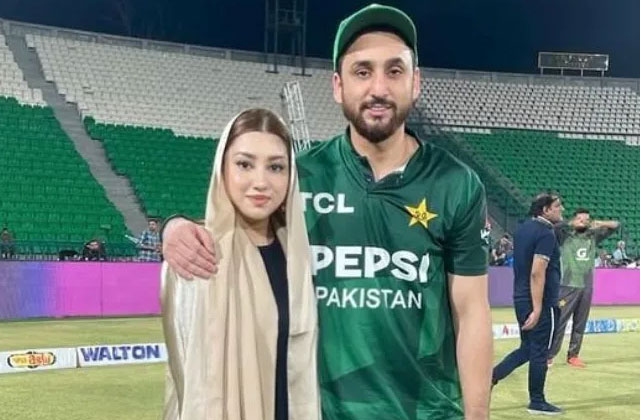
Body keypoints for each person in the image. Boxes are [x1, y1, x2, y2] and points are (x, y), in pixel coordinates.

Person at [162, 4, 492, 419]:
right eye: (362, 71)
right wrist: (174, 226)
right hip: (321, 411)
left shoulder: (456, 183)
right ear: (338, 85)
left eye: (394, 71)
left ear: (415, 82)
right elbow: (234, 227)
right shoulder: (299, 176)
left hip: (426, 411)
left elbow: (471, 313)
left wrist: (477, 415)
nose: (378, 88)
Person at [161, 108, 320, 420]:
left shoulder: (299, 256)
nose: (260, 182)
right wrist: (172, 225)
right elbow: (191, 388)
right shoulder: (196, 254)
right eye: (245, 164)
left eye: (276, 167)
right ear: (222, 169)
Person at [492, 193, 564, 415]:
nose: (562, 209)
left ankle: (491, 376)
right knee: (540, 351)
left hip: (521, 297)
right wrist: (538, 307)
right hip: (541, 301)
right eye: (557, 206)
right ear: (545, 210)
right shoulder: (546, 233)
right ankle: (537, 401)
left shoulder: (522, 230)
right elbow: (537, 272)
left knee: (527, 349)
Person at [548, 209, 619, 368]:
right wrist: (570, 223)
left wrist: (601, 223)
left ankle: (573, 355)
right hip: (567, 285)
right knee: (560, 322)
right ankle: (549, 355)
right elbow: (553, 227)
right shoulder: (565, 235)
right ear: (574, 219)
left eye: (586, 219)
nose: (583, 222)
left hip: (586, 286)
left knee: (580, 322)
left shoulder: (593, 236)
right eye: (580, 219)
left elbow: (616, 225)